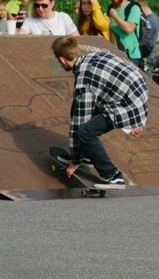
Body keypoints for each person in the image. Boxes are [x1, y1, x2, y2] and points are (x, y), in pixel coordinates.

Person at [51, 35, 148, 190]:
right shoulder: (93, 56)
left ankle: (112, 175)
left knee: (85, 132)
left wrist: (75, 159)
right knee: (78, 105)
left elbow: (79, 122)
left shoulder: (85, 81)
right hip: (137, 94)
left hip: (128, 105)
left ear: (62, 60)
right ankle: (87, 155)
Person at [107, 0, 144, 68]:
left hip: (130, 56)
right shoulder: (111, 8)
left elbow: (129, 28)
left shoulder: (133, 8)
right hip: (114, 55)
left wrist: (115, 16)